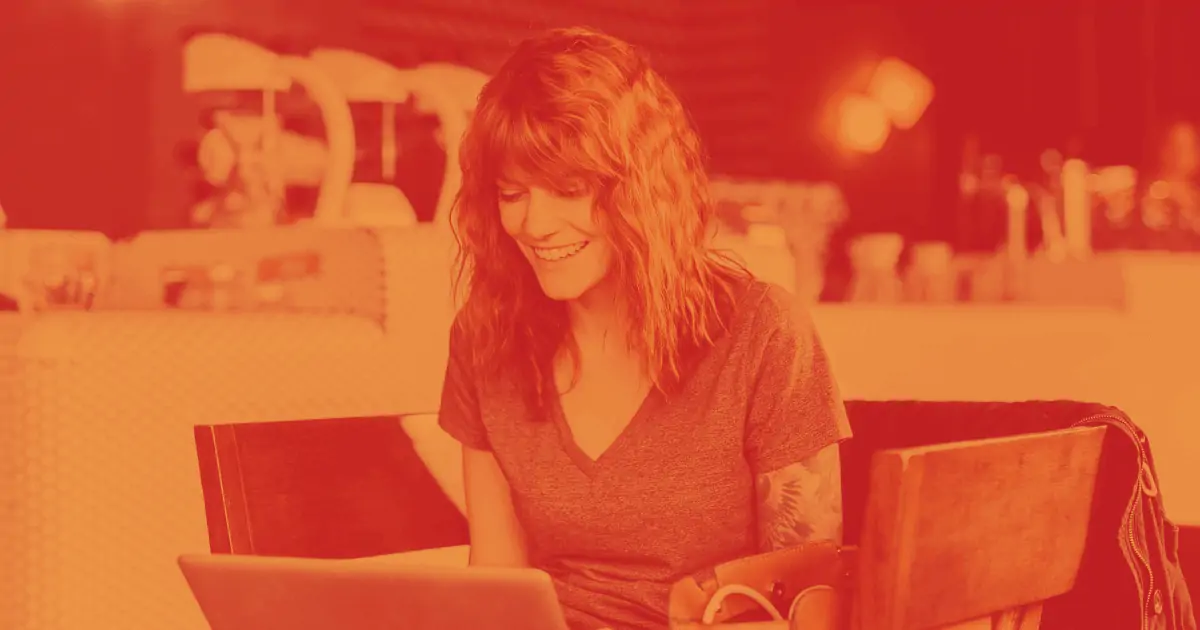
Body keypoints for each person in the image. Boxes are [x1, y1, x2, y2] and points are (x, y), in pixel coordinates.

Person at [437, 26, 852, 630]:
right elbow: (497, 581)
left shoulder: (763, 332)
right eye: (512, 193)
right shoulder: (486, 336)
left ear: (641, 190)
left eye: (570, 190)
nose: (535, 224)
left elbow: (809, 599)